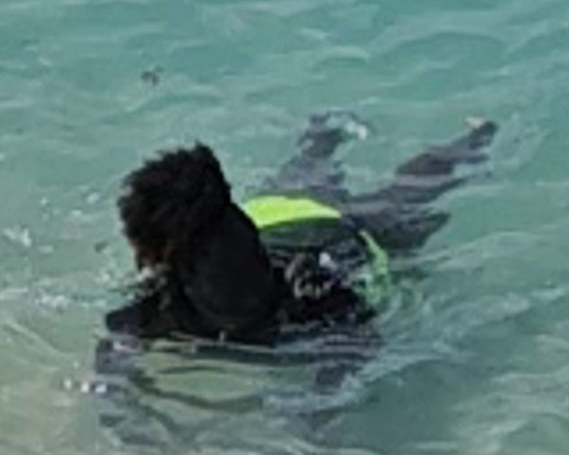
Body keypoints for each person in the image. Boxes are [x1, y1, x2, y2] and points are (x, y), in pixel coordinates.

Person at [100, 116, 496, 356]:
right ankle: (323, 135)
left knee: (408, 192)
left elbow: (358, 344)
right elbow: (112, 354)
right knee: (313, 173)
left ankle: (477, 137)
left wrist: (315, 415)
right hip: (274, 214)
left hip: (333, 230)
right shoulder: (158, 303)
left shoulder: (308, 295)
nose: (253, 272)